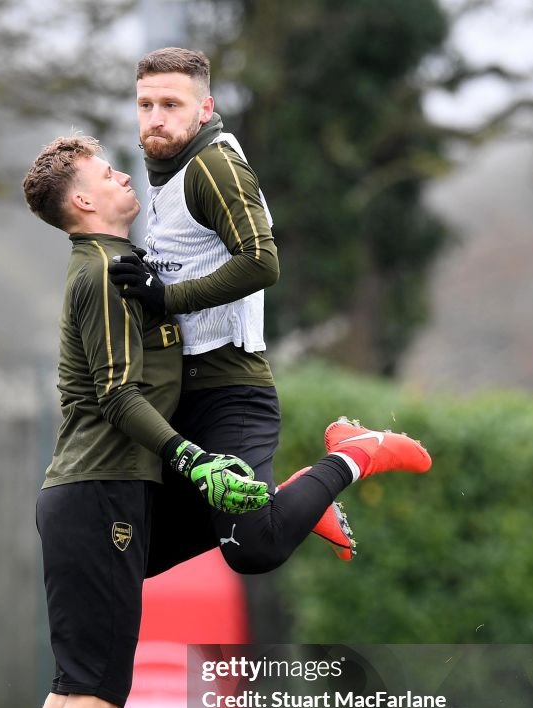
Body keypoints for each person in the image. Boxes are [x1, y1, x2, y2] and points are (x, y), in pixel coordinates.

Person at [0, 134, 270, 708]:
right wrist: (188, 454)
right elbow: (117, 393)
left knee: (72, 686)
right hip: (99, 495)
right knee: (97, 692)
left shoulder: (117, 269)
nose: (123, 176)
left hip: (86, 497)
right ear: (82, 203)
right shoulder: (104, 273)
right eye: (108, 173)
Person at [110, 47, 431, 578]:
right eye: (146, 104)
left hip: (229, 389)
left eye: (171, 103)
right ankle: (290, 501)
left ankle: (354, 454)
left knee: (254, 549)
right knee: (133, 553)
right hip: (177, 391)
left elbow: (262, 262)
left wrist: (165, 298)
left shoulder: (215, 164)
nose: (157, 117)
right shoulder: (165, 167)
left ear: (205, 107)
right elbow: (191, 256)